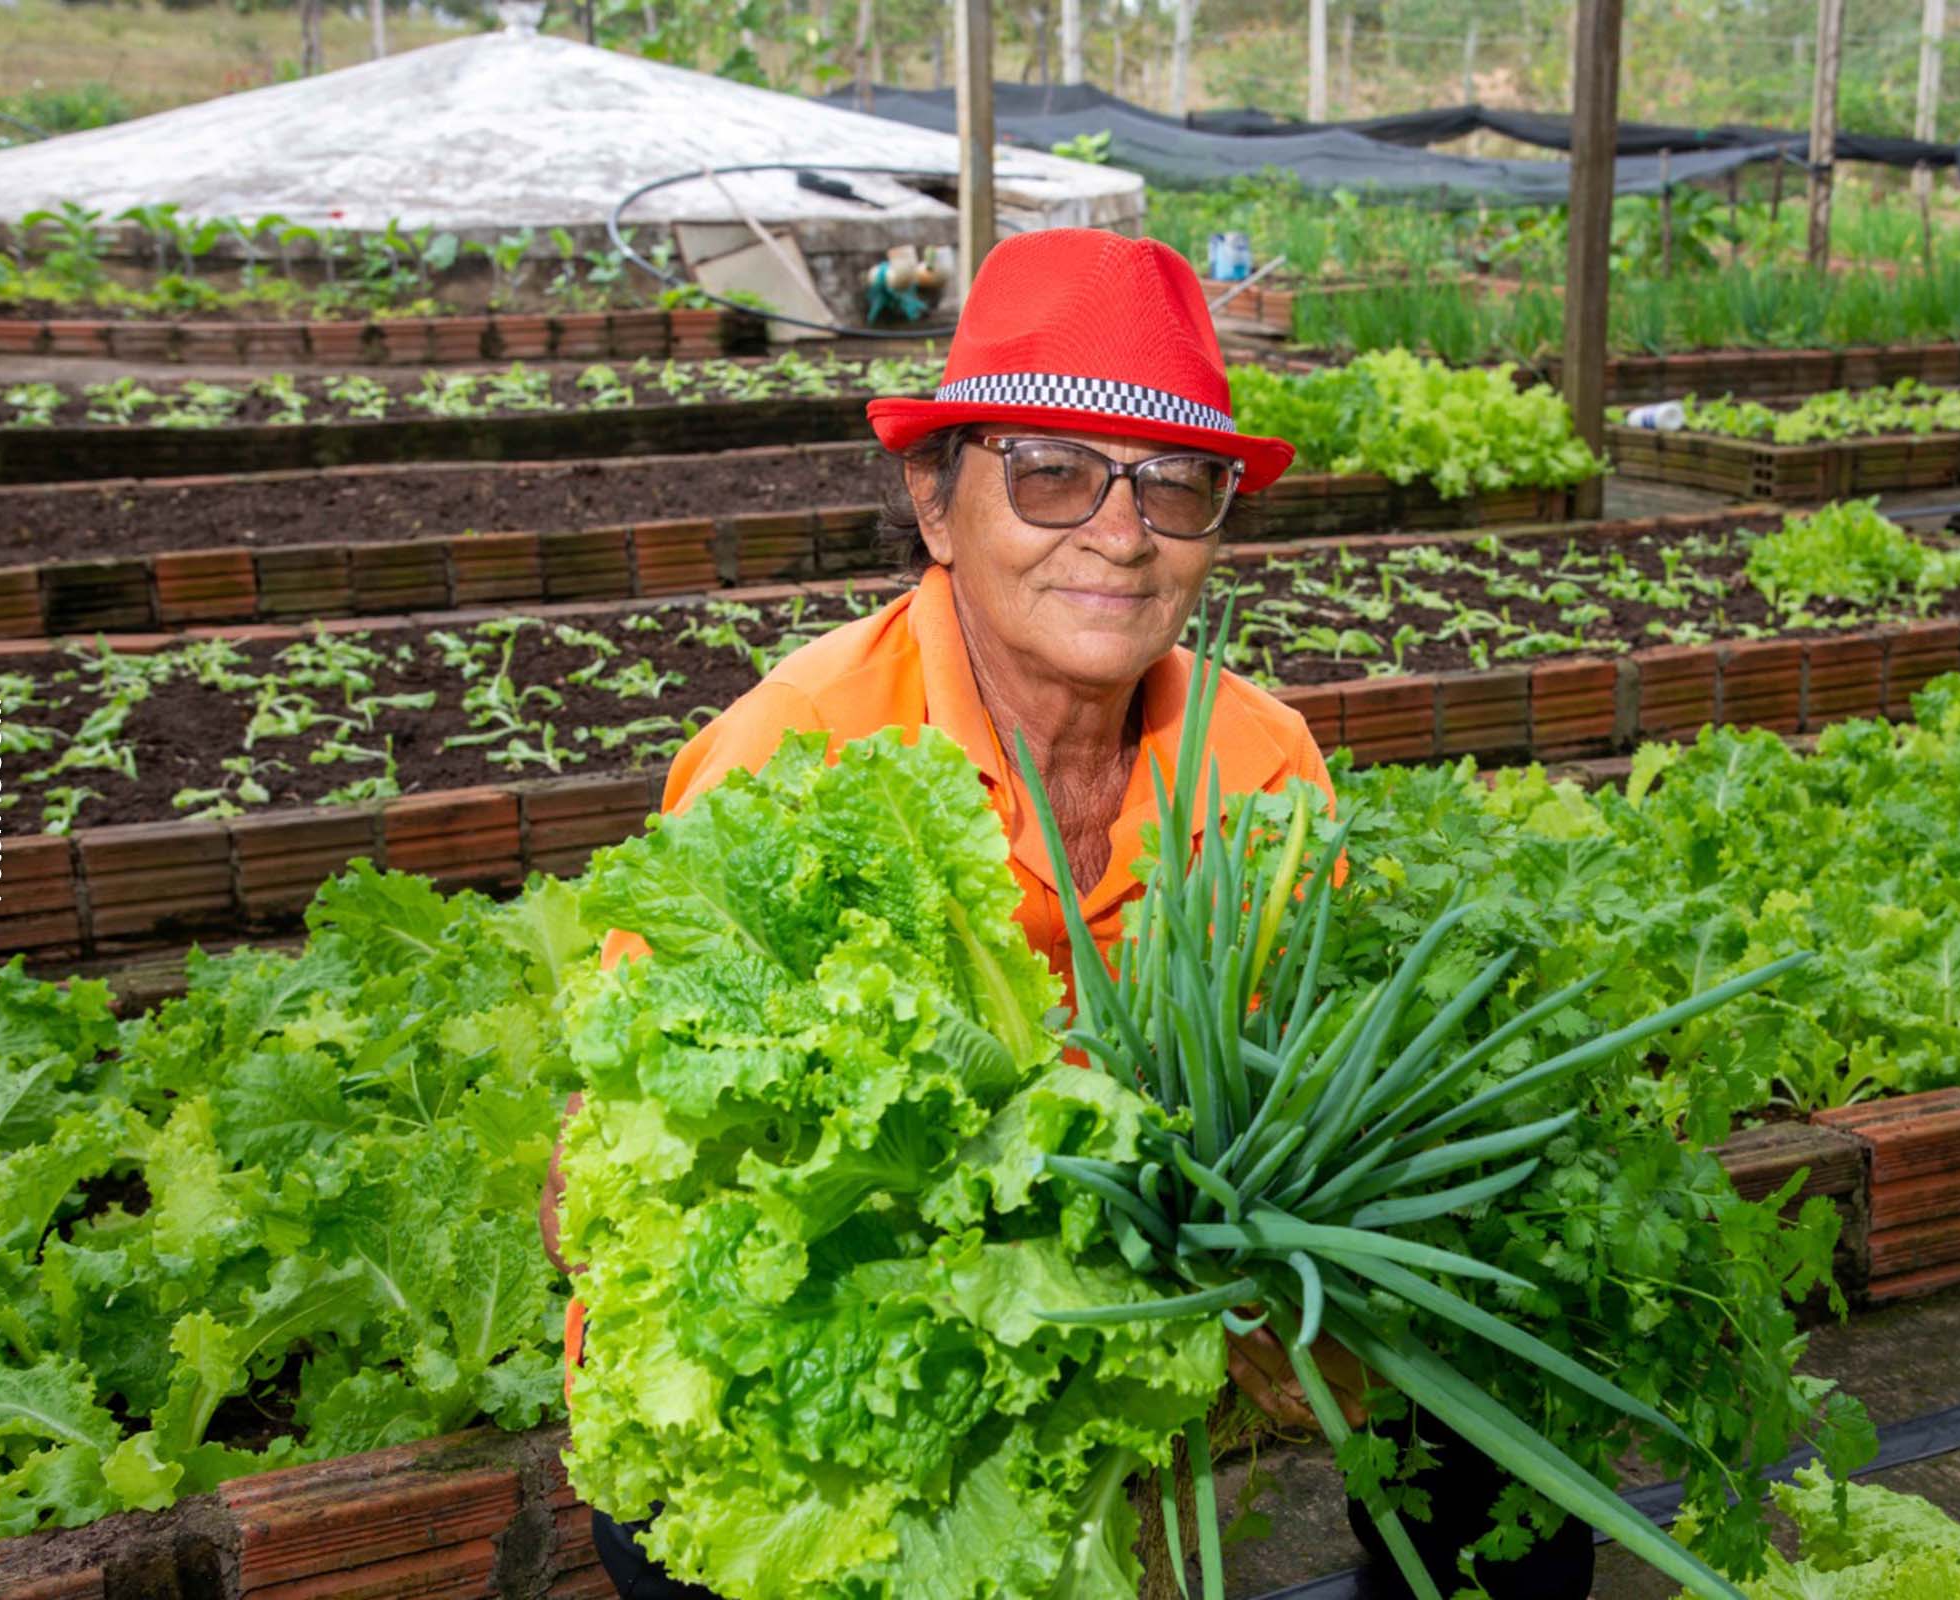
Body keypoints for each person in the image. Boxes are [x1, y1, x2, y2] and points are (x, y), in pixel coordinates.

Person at [536, 227, 1368, 1598]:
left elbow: (1307, 1100)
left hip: (1111, 1351)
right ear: (937, 503)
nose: (1120, 531)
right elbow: (598, 1195)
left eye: (1178, 485)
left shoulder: (1261, 757)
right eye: (1052, 474)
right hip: (797, 1398)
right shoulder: (798, 755)